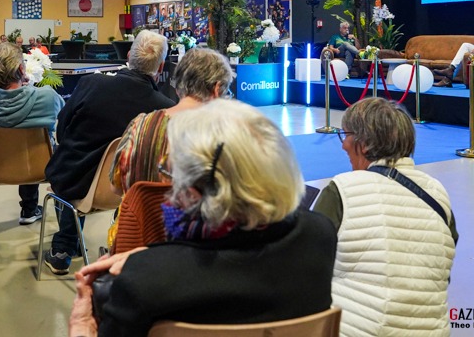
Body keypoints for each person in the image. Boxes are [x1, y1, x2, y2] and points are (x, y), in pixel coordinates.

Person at [71, 99, 337, 337]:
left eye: (170, 172)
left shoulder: (142, 282)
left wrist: (82, 325)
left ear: (191, 192)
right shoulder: (319, 236)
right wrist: (152, 256)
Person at [313, 97, 457, 337]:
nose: (343, 145)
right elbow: (442, 271)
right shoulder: (438, 193)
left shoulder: (343, 189)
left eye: (346, 135)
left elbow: (307, 267)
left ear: (365, 144)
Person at [43, 30, 174, 275]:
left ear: (127, 55)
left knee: (72, 169)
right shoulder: (165, 108)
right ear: (161, 66)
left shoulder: (91, 83)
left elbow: (62, 128)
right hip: (126, 190)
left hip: (74, 179)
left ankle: (63, 247)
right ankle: (119, 242)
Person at [0, 42, 64, 224]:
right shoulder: (47, 97)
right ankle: (65, 236)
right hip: (39, 168)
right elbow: (63, 113)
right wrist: (28, 88)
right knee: (46, 150)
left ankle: (30, 209)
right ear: (21, 68)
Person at [111, 47, 232, 195]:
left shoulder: (139, 124)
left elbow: (116, 188)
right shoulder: (224, 134)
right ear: (216, 89)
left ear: (178, 88)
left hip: (140, 216)